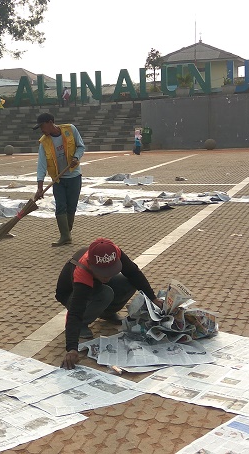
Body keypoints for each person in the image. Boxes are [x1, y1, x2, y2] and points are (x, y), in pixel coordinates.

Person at [55, 238, 162, 369]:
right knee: (105, 293)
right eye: (103, 274)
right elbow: (74, 312)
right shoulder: (82, 271)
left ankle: (107, 312)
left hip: (96, 285)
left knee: (128, 283)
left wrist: (153, 298)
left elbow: (134, 273)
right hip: (70, 294)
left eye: (110, 272)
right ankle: (84, 322)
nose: (107, 277)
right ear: (92, 266)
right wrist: (72, 348)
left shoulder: (114, 252)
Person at [34, 112, 85, 247]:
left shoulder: (70, 130)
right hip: (58, 180)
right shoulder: (44, 142)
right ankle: (64, 236)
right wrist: (40, 188)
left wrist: (76, 158)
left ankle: (67, 233)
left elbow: (81, 146)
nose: (41, 130)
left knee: (71, 207)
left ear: (50, 123)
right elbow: (41, 165)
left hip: (74, 177)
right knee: (61, 206)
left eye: (42, 126)